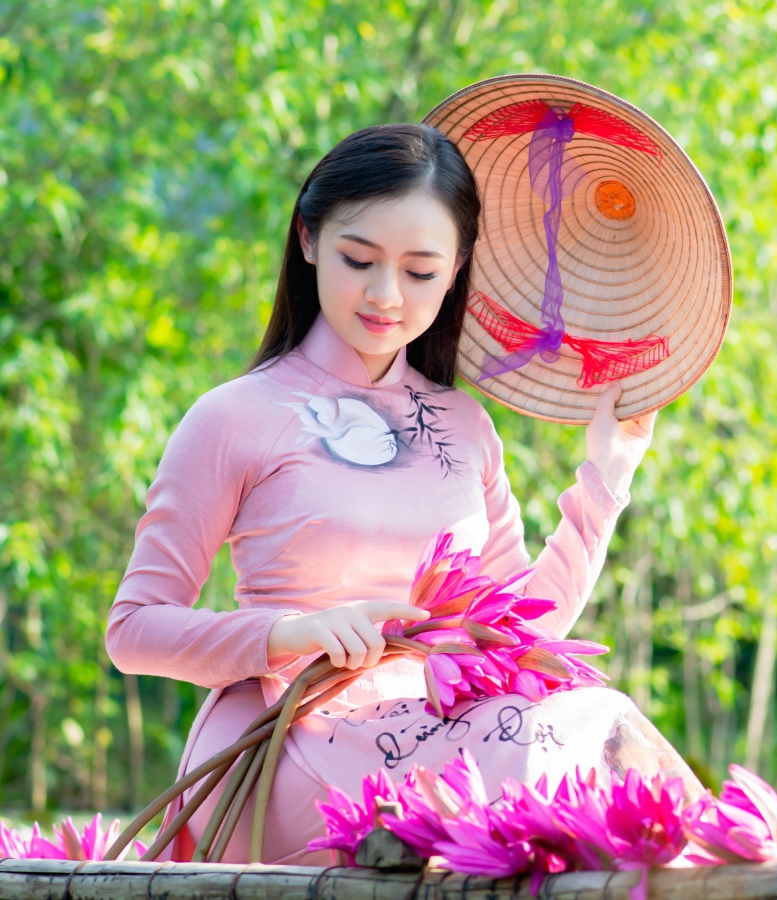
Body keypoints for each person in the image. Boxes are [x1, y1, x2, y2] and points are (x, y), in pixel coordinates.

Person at [106, 124, 697, 865]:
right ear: (309, 240)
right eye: (359, 260)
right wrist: (294, 632)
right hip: (291, 738)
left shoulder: (464, 424)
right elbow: (133, 631)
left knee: (600, 729)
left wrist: (607, 474)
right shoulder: (234, 418)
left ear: (456, 273)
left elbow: (523, 631)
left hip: (453, 728)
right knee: (541, 758)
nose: (385, 296)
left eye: (420, 272)